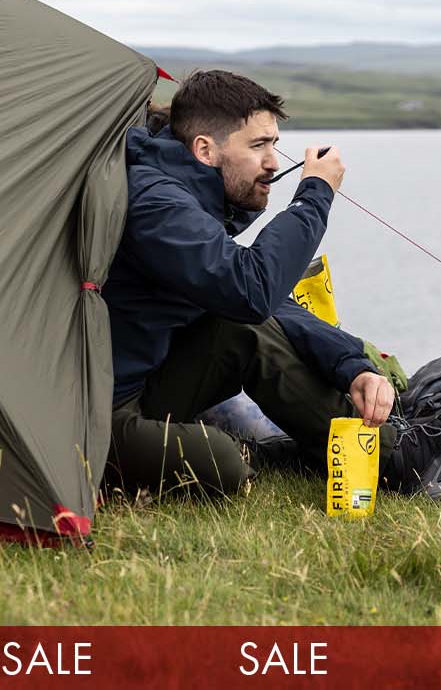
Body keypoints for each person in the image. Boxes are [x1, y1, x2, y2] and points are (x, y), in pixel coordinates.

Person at [100, 70, 391, 496]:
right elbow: (251, 290)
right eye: (259, 146)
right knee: (224, 466)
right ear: (205, 149)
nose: (274, 161)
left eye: (273, 143)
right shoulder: (158, 204)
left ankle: (390, 453)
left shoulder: (188, 195)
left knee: (240, 328)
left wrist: (352, 365)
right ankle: (278, 452)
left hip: (152, 380)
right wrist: (314, 195)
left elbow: (260, 307)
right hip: (103, 413)